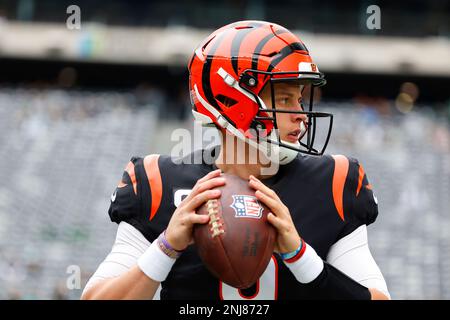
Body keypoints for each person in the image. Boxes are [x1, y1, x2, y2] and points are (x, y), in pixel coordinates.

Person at [81, 20, 390, 300]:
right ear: (233, 101)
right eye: (284, 99)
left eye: (299, 98)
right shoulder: (158, 184)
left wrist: (300, 256)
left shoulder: (333, 183)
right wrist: (166, 247)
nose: (300, 115)